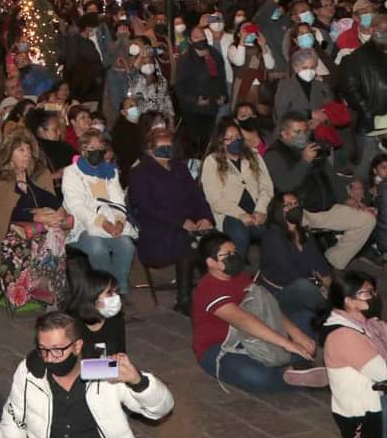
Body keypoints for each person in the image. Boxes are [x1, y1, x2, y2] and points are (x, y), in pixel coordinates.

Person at [1, 311, 173, 438]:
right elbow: (13, 421)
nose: (49, 358)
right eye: (43, 350)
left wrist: (138, 381)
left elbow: (161, 410)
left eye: (57, 350)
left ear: (77, 346)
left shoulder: (101, 368)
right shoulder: (30, 372)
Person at [190, 232, 323, 392]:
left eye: (235, 252)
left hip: (252, 333)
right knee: (257, 376)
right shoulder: (208, 289)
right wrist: (288, 344)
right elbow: (244, 321)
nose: (234, 257)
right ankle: (293, 376)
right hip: (220, 346)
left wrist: (296, 333)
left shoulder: (240, 276)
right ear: (211, 262)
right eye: (227, 254)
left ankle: (300, 366)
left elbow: (268, 307)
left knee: (306, 319)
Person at [0, 129, 71, 310]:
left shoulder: (29, 175)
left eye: (28, 150)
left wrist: (60, 211)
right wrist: (36, 216)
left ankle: (49, 289)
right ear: (9, 153)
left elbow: (42, 195)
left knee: (55, 232)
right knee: (29, 241)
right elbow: (0, 212)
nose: (27, 155)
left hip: (28, 228)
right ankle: (28, 291)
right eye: (21, 150)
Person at [265, 112, 374, 269]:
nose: (303, 136)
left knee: (366, 220)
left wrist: (345, 199)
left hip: (325, 205)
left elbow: (331, 178)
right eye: (297, 132)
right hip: (299, 211)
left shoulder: (313, 147)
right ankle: (316, 266)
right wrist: (305, 161)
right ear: (284, 133)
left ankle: (332, 261)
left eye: (305, 131)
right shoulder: (275, 154)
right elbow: (285, 186)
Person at [126, 128, 213, 314]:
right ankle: (184, 300)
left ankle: (215, 293)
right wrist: (180, 221)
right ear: (149, 150)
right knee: (189, 245)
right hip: (157, 230)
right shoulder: (140, 172)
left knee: (213, 243)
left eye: (169, 146)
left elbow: (196, 196)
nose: (167, 150)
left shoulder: (179, 167)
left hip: (188, 224)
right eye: (162, 147)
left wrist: (205, 217)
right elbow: (147, 207)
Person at [62, 130, 137, 294]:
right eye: (92, 148)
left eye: (101, 148)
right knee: (97, 249)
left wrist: (119, 221)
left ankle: (119, 290)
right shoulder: (71, 173)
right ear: (83, 150)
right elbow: (76, 206)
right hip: (83, 226)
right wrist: (102, 223)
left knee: (126, 246)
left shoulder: (110, 172)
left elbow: (118, 200)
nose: (97, 151)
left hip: (111, 222)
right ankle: (105, 291)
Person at [322, 271, 387, 438]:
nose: (375, 297)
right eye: (368, 293)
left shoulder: (370, 325)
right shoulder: (344, 336)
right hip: (368, 422)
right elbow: (383, 373)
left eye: (374, 291)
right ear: (349, 301)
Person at [258, 193, 330, 338]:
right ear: (278, 210)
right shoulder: (272, 236)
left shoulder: (304, 233)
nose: (294, 207)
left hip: (306, 288)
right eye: (288, 205)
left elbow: (321, 265)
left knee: (310, 318)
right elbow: (289, 275)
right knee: (303, 287)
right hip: (278, 293)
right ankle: (335, 313)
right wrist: (318, 286)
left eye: (296, 204)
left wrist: (328, 285)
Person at [200, 119, 274, 258]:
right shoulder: (212, 161)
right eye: (229, 139)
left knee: (276, 229)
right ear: (220, 141)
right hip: (230, 213)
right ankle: (235, 268)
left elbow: (266, 186)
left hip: (256, 210)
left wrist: (261, 209)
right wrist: (241, 214)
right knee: (239, 234)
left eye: (238, 137)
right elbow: (215, 199)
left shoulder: (253, 154)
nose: (235, 141)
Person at [341, 12, 387, 184]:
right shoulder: (356, 58)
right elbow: (350, 91)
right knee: (367, 170)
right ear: (372, 29)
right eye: (382, 29)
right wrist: (368, 113)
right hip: (370, 123)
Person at [174, 26, 229, 156]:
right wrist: (195, 100)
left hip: (211, 108)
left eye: (202, 35)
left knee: (208, 142)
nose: (201, 39)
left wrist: (223, 96)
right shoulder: (186, 59)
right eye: (196, 37)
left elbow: (221, 78)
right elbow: (179, 87)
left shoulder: (214, 54)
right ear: (190, 40)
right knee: (193, 145)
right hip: (192, 111)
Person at [66, 267, 127, 358]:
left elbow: (121, 353)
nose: (116, 297)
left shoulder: (116, 319)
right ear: (92, 296)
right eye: (109, 293)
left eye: (116, 292)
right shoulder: (71, 325)